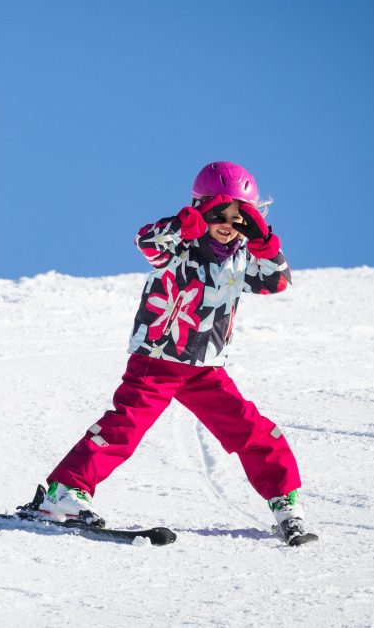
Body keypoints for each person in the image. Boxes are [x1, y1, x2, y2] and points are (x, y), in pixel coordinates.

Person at [20, 161, 317, 545]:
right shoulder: (179, 247)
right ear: (200, 208)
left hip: (205, 368)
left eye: (240, 217)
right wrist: (186, 224)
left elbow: (277, 281)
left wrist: (262, 241)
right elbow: (147, 241)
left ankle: (285, 503)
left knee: (253, 430)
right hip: (157, 359)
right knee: (124, 426)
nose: (228, 225)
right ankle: (64, 494)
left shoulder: (244, 257)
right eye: (218, 214)